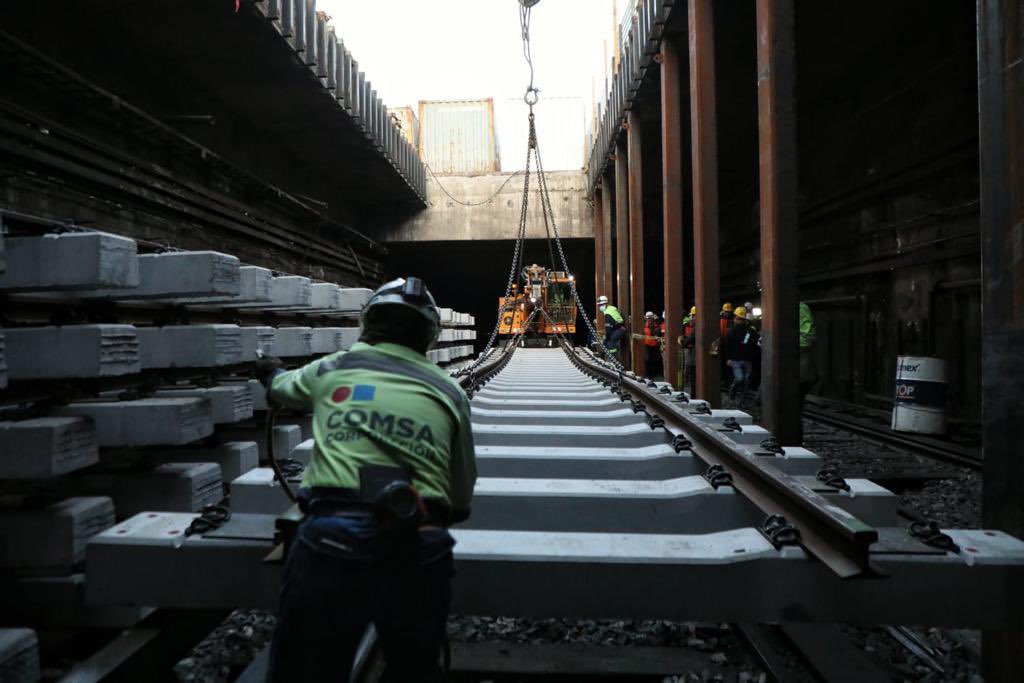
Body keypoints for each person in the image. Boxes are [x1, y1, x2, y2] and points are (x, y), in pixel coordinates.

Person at [258, 276, 476, 682]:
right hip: (419, 540)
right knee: (414, 670)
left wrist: (270, 373)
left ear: (368, 322)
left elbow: (281, 390)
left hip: (333, 537)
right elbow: (461, 495)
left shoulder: (335, 368)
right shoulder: (448, 390)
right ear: (428, 334)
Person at [724, 306, 760, 407]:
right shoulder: (731, 331)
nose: (740, 320)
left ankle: (741, 402)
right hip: (735, 359)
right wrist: (729, 358)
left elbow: (756, 341)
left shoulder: (750, 330)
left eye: (742, 319)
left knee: (746, 382)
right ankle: (733, 389)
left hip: (747, 359)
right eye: (738, 318)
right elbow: (727, 346)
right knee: (739, 378)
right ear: (735, 318)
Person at [799, 301, 818, 403]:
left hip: (800, 346)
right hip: (802, 345)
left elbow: (806, 330)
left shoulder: (800, 307)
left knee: (803, 378)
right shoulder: (801, 307)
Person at [597, 295, 626, 359]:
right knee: (605, 342)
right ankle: (602, 355)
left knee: (611, 342)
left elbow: (608, 328)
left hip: (620, 329)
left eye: (600, 305)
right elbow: (621, 316)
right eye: (599, 305)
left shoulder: (608, 313)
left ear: (605, 304)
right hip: (618, 327)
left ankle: (615, 360)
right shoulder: (612, 308)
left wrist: (607, 336)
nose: (599, 307)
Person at [642, 311, 662, 379]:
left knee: (654, 361)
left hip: (655, 346)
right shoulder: (644, 326)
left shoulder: (657, 326)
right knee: (647, 360)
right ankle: (648, 375)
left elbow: (657, 335)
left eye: (650, 318)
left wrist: (651, 328)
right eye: (648, 318)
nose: (649, 320)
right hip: (647, 346)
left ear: (653, 318)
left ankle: (654, 375)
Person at [682, 306, 696, 394]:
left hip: (693, 349)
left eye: (693, 316)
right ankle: (687, 380)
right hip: (688, 348)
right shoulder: (685, 326)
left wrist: (684, 343)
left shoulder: (696, 327)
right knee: (688, 364)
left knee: (692, 366)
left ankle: (694, 391)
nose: (691, 318)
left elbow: (692, 338)